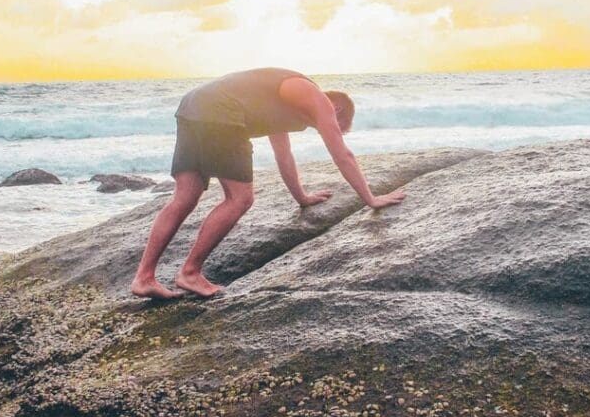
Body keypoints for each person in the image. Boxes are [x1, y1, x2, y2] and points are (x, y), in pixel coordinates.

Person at [130, 67, 405, 299]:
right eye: (336, 122)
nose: (328, 126)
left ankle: (144, 278)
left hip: (193, 105)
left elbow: (283, 156)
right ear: (337, 107)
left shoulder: (282, 107)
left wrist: (302, 197)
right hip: (220, 111)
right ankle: (190, 273)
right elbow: (342, 155)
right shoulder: (313, 95)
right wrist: (371, 198)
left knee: (185, 196)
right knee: (240, 198)